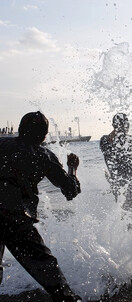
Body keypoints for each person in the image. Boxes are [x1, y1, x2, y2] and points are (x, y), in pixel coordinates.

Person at [0, 111, 82, 302]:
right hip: (16, 219)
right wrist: (72, 168)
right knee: (49, 273)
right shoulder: (43, 155)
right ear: (44, 136)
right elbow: (71, 191)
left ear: (20, 129)